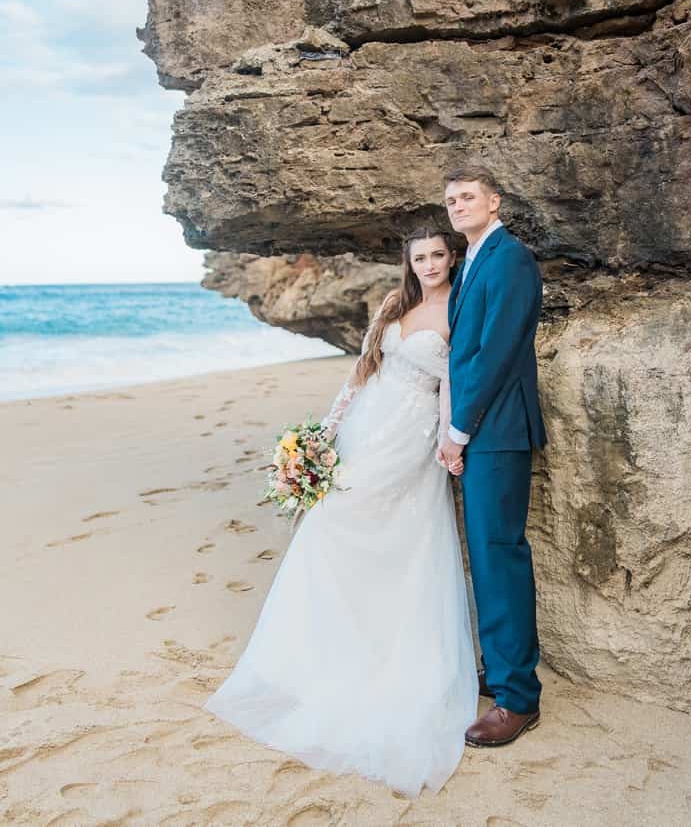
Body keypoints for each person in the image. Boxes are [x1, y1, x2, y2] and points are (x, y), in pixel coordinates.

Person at [205, 227, 478, 797]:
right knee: (327, 526)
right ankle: (317, 656)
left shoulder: (460, 305)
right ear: (408, 263)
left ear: (452, 258)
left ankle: (385, 658)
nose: (428, 264)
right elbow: (363, 370)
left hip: (411, 438)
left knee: (389, 539)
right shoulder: (392, 304)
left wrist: (450, 441)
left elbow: (455, 381)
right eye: (419, 257)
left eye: (436, 255)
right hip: (363, 427)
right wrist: (326, 431)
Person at [435, 165, 548, 748]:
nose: (458, 206)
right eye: (451, 200)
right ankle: (502, 670)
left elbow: (495, 353)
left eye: (468, 197)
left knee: (499, 554)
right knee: (487, 551)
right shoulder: (474, 260)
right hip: (483, 429)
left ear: (494, 200)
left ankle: (516, 699)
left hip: (497, 430)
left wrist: (457, 429)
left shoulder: (509, 258)